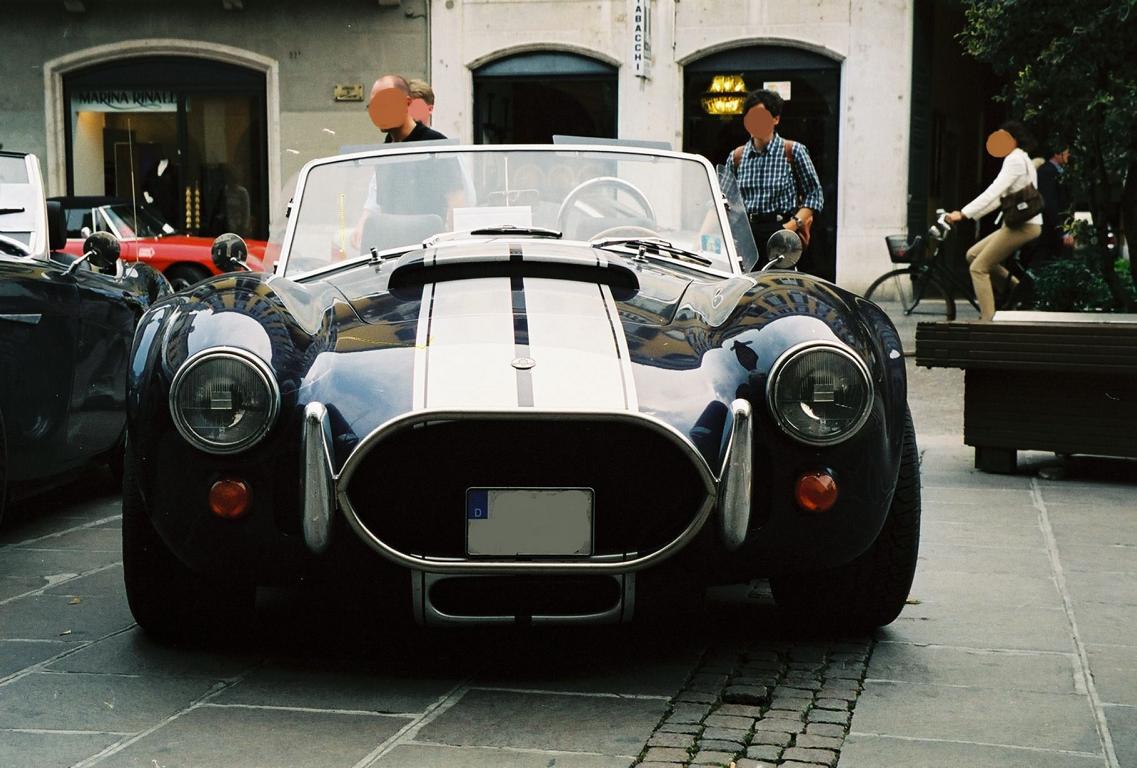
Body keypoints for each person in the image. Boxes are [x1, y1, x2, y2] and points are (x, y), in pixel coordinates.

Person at [947, 121, 1043, 321]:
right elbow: (998, 199)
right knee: (973, 255)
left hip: (1023, 226)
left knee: (978, 268)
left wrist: (963, 214)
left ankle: (987, 320)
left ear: (1014, 139)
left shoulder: (1014, 160)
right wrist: (969, 215)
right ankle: (1018, 292)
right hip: (1023, 224)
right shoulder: (1023, 158)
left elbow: (993, 191)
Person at [352, 75, 454, 249]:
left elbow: (456, 203)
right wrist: (363, 225)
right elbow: (379, 202)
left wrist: (449, 246)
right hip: (392, 250)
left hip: (429, 251)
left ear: (407, 103)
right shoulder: (384, 151)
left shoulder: (437, 145)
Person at [725, 89, 823, 267]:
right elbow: (723, 200)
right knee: (748, 282)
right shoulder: (736, 157)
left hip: (782, 230)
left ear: (775, 119)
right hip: (747, 234)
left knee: (780, 282)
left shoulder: (793, 151)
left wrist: (792, 225)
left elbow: (814, 195)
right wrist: (700, 238)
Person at [1033, 146, 1074, 264]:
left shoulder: (1057, 171)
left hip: (1055, 227)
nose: (1068, 155)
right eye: (1066, 152)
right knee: (1047, 261)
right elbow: (1050, 203)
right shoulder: (1047, 172)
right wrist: (1063, 231)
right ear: (1057, 154)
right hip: (1050, 228)